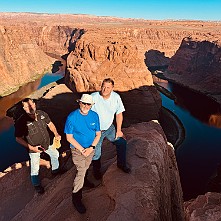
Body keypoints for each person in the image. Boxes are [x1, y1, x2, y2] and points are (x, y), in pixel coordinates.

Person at [14, 98, 62, 194]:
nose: (30, 107)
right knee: (35, 167)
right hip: (34, 149)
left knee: (55, 154)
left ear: (34, 104)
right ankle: (37, 185)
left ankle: (55, 171)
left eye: (31, 104)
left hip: (47, 143)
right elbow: (18, 138)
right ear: (24, 108)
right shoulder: (21, 121)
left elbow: (50, 124)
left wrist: (56, 134)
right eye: (27, 106)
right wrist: (32, 148)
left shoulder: (42, 114)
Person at [64, 94, 101, 214]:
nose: (85, 106)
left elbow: (98, 134)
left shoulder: (94, 116)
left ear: (91, 105)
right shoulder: (72, 117)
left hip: (90, 149)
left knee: (86, 167)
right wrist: (82, 150)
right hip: (77, 150)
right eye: (83, 103)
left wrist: (91, 147)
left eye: (88, 104)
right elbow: (69, 137)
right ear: (79, 103)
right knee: (81, 171)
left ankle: (85, 181)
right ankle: (76, 198)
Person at [91, 78, 131, 180]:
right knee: (96, 154)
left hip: (109, 128)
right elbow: (84, 113)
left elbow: (119, 114)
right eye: (103, 87)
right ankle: (96, 172)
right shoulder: (93, 97)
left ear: (112, 88)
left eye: (108, 87)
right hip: (96, 131)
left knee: (121, 143)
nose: (105, 89)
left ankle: (121, 164)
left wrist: (118, 130)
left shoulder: (116, 98)